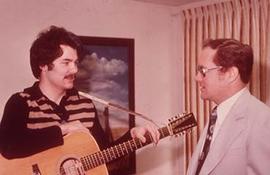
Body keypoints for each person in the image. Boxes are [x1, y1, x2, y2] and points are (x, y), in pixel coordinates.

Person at [0, 26, 159, 173]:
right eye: (66, 62)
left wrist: (132, 135)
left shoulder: (85, 105)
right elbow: (7, 147)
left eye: (75, 62)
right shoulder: (21, 102)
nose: (75, 69)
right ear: (43, 65)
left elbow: (102, 153)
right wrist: (64, 129)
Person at [187, 38, 270, 175]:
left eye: (203, 71)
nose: (197, 77)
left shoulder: (262, 120)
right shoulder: (217, 115)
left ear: (231, 74)